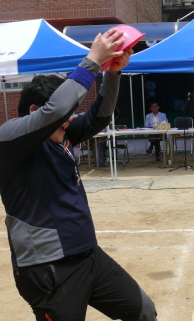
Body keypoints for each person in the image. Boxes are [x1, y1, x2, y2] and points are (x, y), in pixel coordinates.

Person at [0, 28, 158, 321]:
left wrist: (112, 74)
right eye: (64, 117)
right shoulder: (11, 139)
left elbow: (99, 116)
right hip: (48, 267)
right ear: (36, 111)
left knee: (143, 311)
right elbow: (56, 111)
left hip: (88, 256)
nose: (69, 121)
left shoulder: (62, 135)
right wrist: (92, 61)